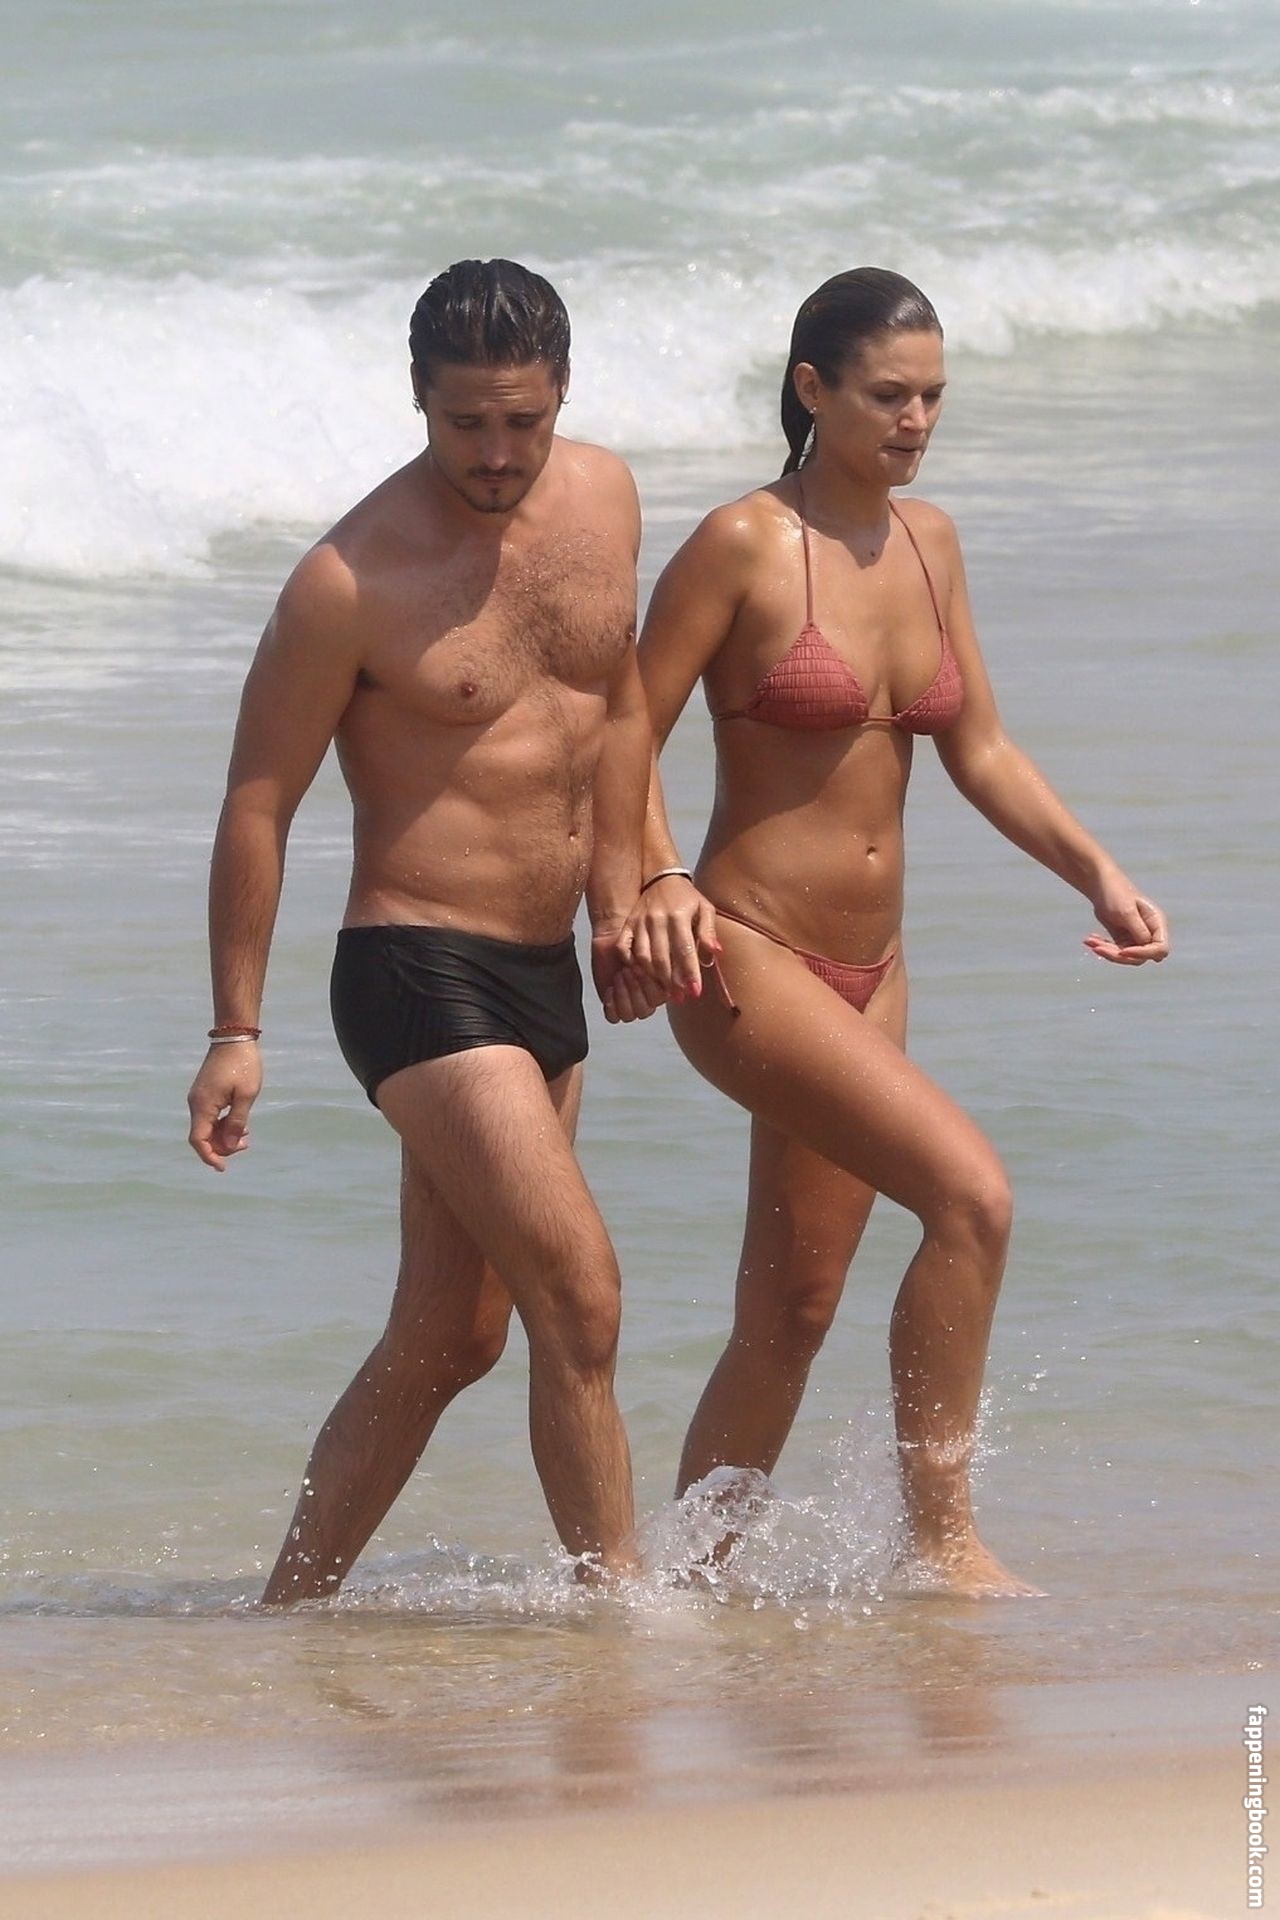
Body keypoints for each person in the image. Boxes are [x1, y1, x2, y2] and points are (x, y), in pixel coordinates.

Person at [612, 268, 1169, 1597]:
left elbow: (979, 747)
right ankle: (945, 1542)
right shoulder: (743, 543)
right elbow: (621, 727)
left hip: (874, 972)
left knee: (792, 1309)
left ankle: (683, 1585)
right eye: (888, 395)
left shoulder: (931, 542)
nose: (916, 420)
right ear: (813, 390)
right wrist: (656, 878)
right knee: (971, 1198)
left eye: (932, 397)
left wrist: (1094, 871)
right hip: (746, 952)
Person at [187, 258, 659, 1605]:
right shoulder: (349, 579)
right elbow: (258, 802)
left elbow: (619, 709)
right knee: (582, 1294)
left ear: (562, 392)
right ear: (417, 398)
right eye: (465, 424)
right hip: (414, 964)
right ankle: (623, 1619)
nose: (496, 454)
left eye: (523, 421)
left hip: (544, 969)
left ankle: (289, 1611)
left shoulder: (609, 499)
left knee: (453, 1336)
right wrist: (234, 1027)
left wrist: (628, 890)